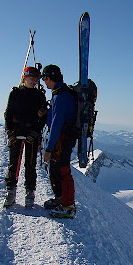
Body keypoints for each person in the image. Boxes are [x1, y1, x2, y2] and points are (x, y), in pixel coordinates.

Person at [3, 66, 48, 207]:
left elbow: (43, 117)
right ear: (24, 77)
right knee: (13, 164)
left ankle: (29, 192)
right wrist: (9, 131)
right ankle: (11, 192)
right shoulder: (15, 94)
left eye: (36, 79)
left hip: (31, 135)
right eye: (31, 78)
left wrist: (35, 132)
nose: (34, 81)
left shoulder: (39, 95)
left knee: (30, 165)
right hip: (16, 133)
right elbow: (8, 114)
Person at [41, 64, 78, 218]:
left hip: (63, 138)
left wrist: (48, 149)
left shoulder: (61, 96)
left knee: (63, 169)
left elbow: (57, 124)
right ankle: (61, 198)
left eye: (45, 79)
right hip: (64, 137)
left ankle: (68, 206)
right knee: (56, 168)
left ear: (50, 78)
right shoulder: (60, 94)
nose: (44, 82)